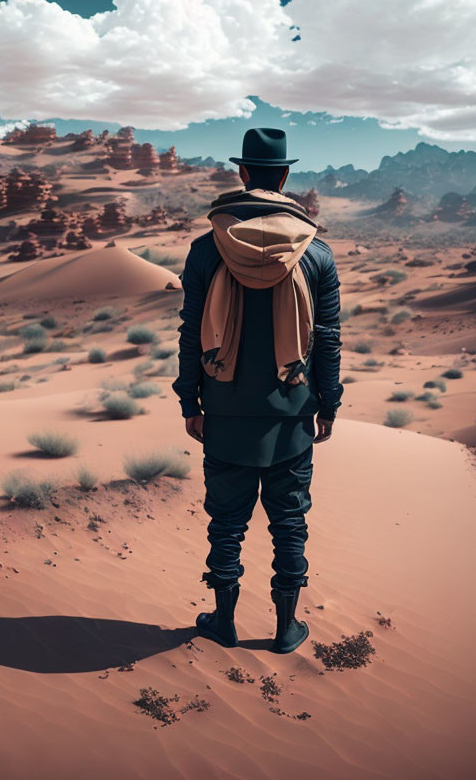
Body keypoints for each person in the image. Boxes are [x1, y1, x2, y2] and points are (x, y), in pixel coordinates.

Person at [172, 127, 343, 654]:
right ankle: (286, 628)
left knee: (227, 524)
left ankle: (223, 621)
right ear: (284, 176)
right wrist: (329, 405)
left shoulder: (206, 249)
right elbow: (329, 341)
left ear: (243, 174)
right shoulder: (316, 254)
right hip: (292, 417)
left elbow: (190, 331)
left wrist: (190, 401)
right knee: (289, 523)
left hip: (223, 414)